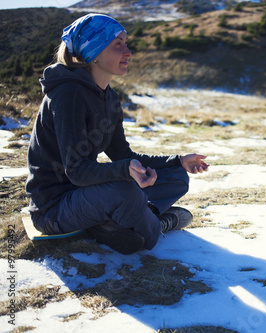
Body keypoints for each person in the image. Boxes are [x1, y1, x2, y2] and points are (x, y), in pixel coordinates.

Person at [25, 13, 209, 254]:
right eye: (118, 45)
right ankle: (157, 224)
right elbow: (78, 170)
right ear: (94, 53)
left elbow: (122, 153)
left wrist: (177, 161)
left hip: (86, 194)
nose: (128, 51)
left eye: (126, 43)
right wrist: (125, 171)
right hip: (55, 207)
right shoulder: (67, 95)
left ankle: (118, 222)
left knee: (176, 176)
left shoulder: (109, 97)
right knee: (125, 191)